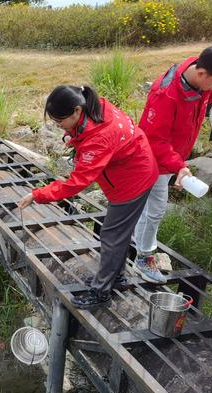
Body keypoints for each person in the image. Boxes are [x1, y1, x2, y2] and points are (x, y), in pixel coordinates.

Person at [19, 85, 159, 309]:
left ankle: (101, 292)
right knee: (118, 234)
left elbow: (77, 183)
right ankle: (116, 277)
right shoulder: (94, 106)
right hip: (131, 173)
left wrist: (38, 194)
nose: (59, 127)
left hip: (133, 182)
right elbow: (83, 137)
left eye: (60, 122)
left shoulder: (100, 138)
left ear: (76, 111)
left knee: (112, 235)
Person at [133, 44, 212, 284]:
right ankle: (143, 258)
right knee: (156, 210)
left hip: (171, 159)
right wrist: (179, 166)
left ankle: (135, 238)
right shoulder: (165, 95)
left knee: (145, 207)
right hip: (152, 160)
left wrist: (177, 164)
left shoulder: (198, 78)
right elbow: (153, 140)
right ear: (202, 74)